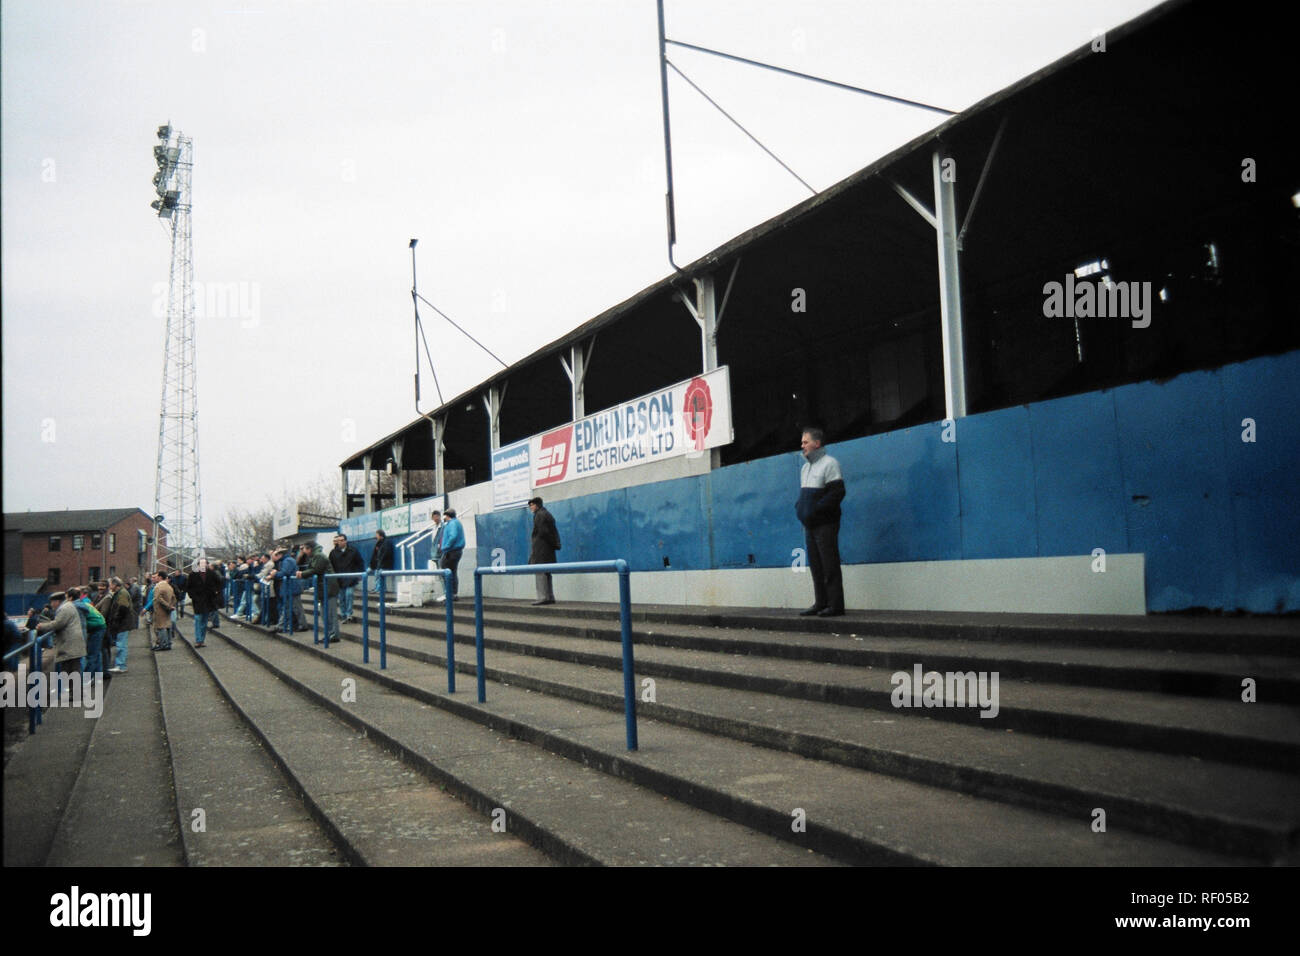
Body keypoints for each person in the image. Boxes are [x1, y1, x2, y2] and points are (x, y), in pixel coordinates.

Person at [795, 427, 846, 617]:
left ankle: (835, 605)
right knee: (816, 565)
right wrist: (800, 508)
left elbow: (837, 492)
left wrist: (815, 509)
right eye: (802, 442)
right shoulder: (805, 468)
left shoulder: (830, 464)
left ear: (817, 444)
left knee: (829, 563)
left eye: (805, 442)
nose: (802, 446)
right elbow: (804, 495)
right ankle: (821, 602)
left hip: (826, 523)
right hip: (810, 524)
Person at [35, 592, 86, 684]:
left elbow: (58, 624)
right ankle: (74, 692)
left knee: (72, 670)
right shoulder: (68, 605)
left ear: (57, 601)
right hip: (72, 643)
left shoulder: (64, 608)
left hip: (70, 643)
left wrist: (42, 626)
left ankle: (75, 693)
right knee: (72, 670)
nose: (51, 605)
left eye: (52, 602)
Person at [296, 541, 334, 638]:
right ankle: (329, 634)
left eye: (304, 549)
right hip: (323, 587)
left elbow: (316, 569)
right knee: (324, 614)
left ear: (309, 548)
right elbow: (305, 565)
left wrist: (302, 574)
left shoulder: (319, 556)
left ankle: (332, 635)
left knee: (328, 614)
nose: (303, 551)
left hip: (328, 587)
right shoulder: (314, 556)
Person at [527, 497, 561, 606]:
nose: (530, 507)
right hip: (547, 549)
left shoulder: (539, 515)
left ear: (537, 505)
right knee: (547, 573)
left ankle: (543, 597)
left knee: (540, 572)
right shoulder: (546, 514)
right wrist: (554, 544)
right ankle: (550, 596)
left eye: (532, 505)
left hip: (541, 549)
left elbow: (543, 532)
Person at [329, 534, 365, 623]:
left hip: (350, 578)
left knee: (349, 594)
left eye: (342, 540)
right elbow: (330, 566)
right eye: (338, 541)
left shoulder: (353, 551)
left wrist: (360, 574)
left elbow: (360, 562)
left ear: (345, 541)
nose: (340, 542)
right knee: (341, 598)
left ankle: (349, 614)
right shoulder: (333, 553)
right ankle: (343, 615)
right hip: (339, 579)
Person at [186, 558, 222, 648]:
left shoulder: (211, 573)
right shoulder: (193, 574)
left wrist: (216, 592)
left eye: (204, 564)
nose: (202, 565)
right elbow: (188, 587)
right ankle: (198, 640)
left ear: (206, 564)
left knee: (204, 621)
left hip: (208, 600)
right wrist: (193, 596)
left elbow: (220, 582)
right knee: (198, 619)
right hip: (197, 600)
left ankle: (201, 639)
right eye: (201, 564)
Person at [105, 577, 136, 678]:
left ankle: (121, 665)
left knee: (121, 644)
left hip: (123, 623)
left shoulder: (122, 593)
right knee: (121, 643)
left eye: (110, 584)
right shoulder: (121, 592)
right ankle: (120, 664)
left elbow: (123, 608)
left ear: (115, 585)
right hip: (123, 623)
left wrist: (116, 620)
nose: (109, 586)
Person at [438, 509, 465, 602]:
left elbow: (453, 536)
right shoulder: (457, 523)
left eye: (444, 515)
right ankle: (453, 594)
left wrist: (445, 546)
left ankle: (448, 594)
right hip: (456, 551)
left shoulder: (452, 524)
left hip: (451, 551)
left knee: (445, 570)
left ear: (447, 515)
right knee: (453, 572)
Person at [150, 570, 177, 651]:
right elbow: (174, 598)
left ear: (160, 577)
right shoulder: (169, 587)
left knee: (161, 627)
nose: (156, 578)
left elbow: (158, 598)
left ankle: (163, 644)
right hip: (168, 610)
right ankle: (168, 643)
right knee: (168, 626)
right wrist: (171, 606)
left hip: (160, 610)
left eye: (157, 576)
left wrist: (167, 606)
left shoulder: (158, 587)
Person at [369, 529, 393, 594]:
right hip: (380, 564)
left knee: (379, 574)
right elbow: (376, 554)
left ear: (381, 535)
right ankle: (378, 588)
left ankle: (380, 589)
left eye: (377, 535)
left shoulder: (386, 542)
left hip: (385, 564)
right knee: (376, 573)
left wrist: (380, 563)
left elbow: (385, 554)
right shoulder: (379, 543)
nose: (376, 536)